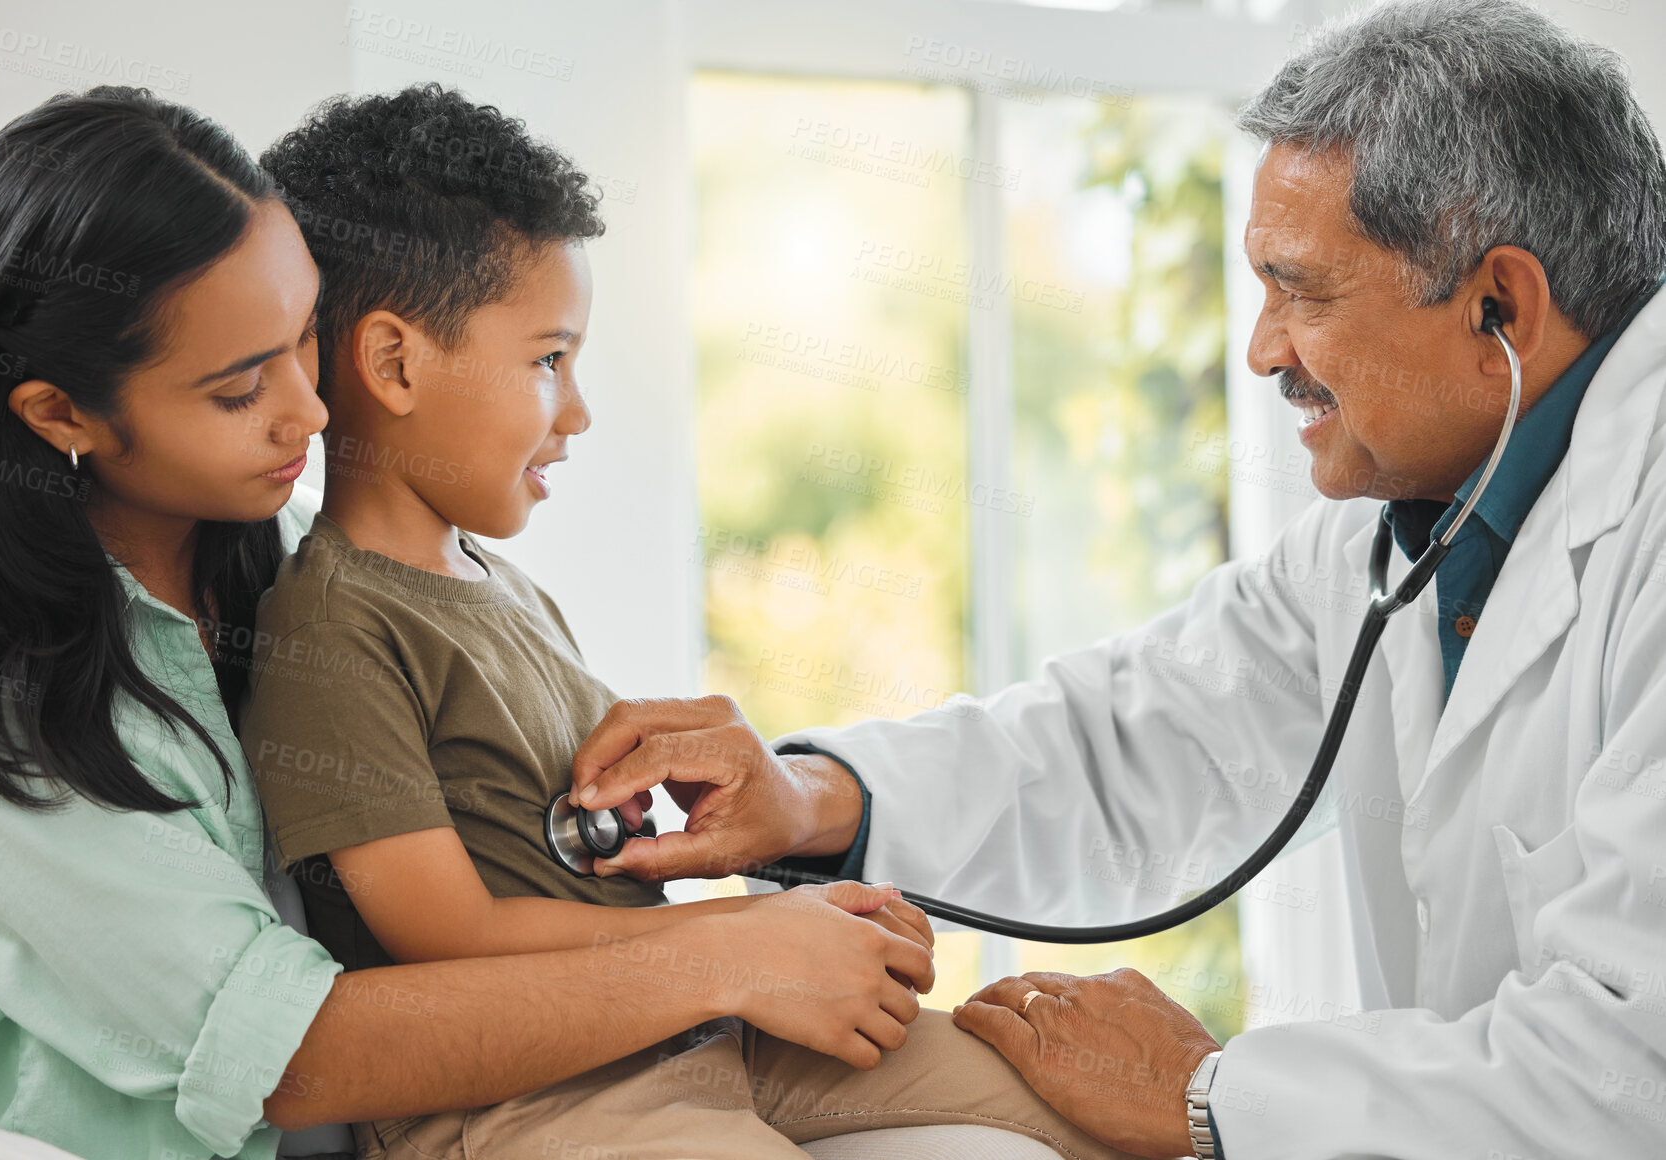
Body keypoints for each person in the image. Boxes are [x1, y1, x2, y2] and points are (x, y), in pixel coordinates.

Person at [566, 1, 1666, 1157]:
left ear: (1499, 303)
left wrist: (1202, 1091)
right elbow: (1132, 738)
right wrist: (812, 797)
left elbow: (1626, 1072)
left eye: (1304, 291)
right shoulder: (1402, 527)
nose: (1262, 349)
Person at [0, 87, 933, 1160]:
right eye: (239, 389)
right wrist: (730, 950)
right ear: (59, 413)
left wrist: (763, 843)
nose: (313, 413)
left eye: (300, 342)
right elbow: (290, 1053)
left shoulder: (315, 563)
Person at [238, 82, 1151, 1160]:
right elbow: (448, 930)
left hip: (680, 1024)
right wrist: (745, 933)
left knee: (1076, 1095)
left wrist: (822, 920)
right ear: (394, 362)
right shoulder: (333, 626)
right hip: (522, 1095)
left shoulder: (504, 590)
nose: (575, 413)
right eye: (546, 360)